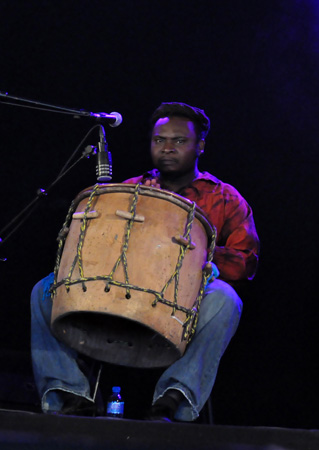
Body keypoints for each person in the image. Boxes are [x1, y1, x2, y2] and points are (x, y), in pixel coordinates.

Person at [30, 102, 260, 422]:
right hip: (118, 302)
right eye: (158, 140)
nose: (167, 148)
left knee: (226, 299)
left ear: (200, 146)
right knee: (44, 289)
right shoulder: (129, 189)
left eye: (179, 141)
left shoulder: (225, 198)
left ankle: (174, 399)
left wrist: (198, 255)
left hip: (180, 313)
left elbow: (246, 261)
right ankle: (68, 394)